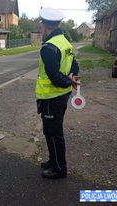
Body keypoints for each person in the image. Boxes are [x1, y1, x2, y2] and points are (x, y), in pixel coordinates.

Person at [35, 8, 80, 179]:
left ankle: (60, 168)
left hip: (51, 97)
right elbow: (74, 64)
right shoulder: (65, 42)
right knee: (51, 131)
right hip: (62, 95)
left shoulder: (48, 47)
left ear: (45, 26)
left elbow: (54, 75)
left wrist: (70, 80)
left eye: (41, 25)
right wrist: (73, 76)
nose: (40, 27)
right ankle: (53, 161)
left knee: (54, 132)